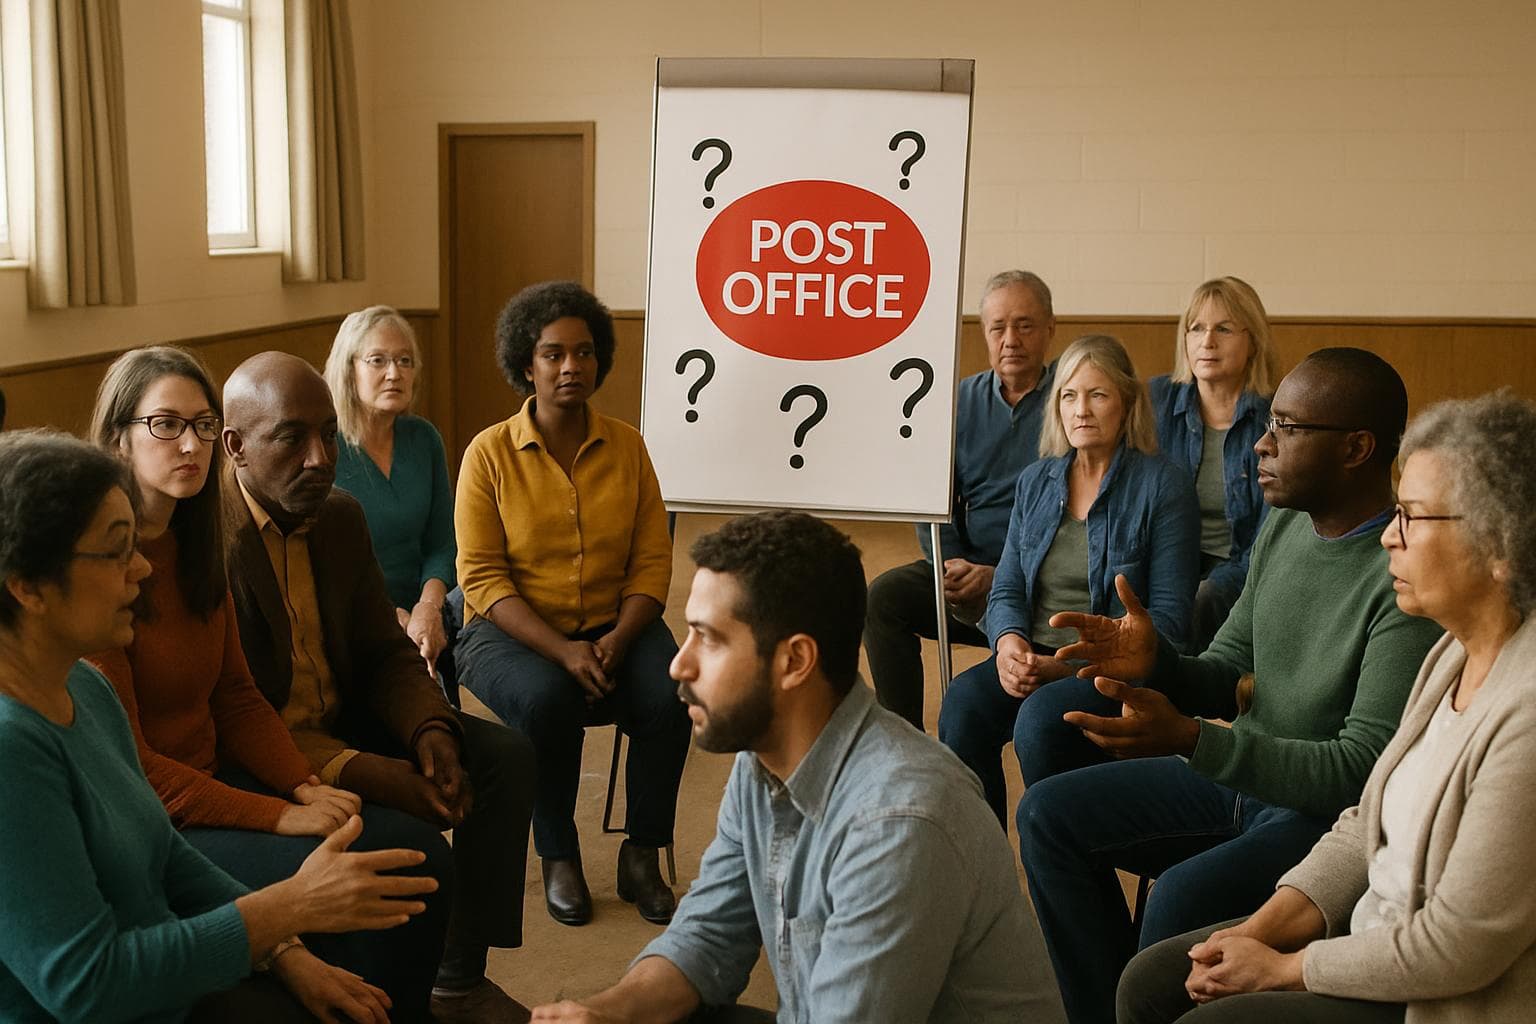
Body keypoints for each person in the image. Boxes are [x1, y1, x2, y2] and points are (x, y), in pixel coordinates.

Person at [1017, 348, 1446, 1024]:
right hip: (1243, 780)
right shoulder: (1284, 527)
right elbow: (1224, 673)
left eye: (1288, 429)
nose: (1262, 446)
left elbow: (1360, 773)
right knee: (1046, 817)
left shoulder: (1401, 578)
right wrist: (1156, 664)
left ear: (1357, 449)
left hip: (1320, 819)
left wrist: (1192, 740)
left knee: (1180, 899)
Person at [531, 511, 1067, 1024]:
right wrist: (607, 1012)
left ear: (794, 662)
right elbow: (708, 935)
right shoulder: (762, 756)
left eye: (710, 639)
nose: (679, 663)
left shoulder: (900, 823)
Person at [1118, 391, 1536, 1024]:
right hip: (1366, 934)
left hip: (1439, 998)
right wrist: (1259, 931)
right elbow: (1367, 817)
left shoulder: (1525, 715)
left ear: (1502, 548)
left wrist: (1288, 969)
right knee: (1152, 980)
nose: (1390, 538)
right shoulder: (1453, 651)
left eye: (1414, 518)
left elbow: (1458, 948)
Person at [0, 430, 438, 1023]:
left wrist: (286, 954)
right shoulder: (10, 749)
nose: (140, 569)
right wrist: (288, 907)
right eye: (115, 550)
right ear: (26, 586)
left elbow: (166, 855)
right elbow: (87, 985)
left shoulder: (87, 687)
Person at [84, 345, 453, 1021]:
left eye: (201, 425)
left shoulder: (200, 544)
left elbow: (238, 696)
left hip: (219, 780)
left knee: (407, 850)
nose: (190, 444)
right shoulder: (101, 572)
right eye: (166, 425)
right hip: (156, 819)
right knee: (383, 863)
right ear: (118, 437)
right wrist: (283, 812)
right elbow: (133, 769)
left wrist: (305, 784)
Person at [220, 351, 537, 1024]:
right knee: (409, 845)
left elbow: (385, 651)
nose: (319, 458)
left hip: (346, 716)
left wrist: (430, 730)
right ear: (236, 446)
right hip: (267, 761)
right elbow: (235, 716)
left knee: (500, 759)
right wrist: (371, 773)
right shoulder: (210, 542)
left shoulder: (338, 516)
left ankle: (458, 978)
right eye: (292, 437)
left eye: (329, 435)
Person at [455, 280, 690, 928]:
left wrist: (614, 641)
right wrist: (563, 651)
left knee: (671, 691)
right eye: (553, 354)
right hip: (507, 631)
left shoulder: (629, 448)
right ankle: (559, 854)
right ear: (525, 364)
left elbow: (651, 563)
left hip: (617, 623)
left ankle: (643, 853)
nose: (570, 367)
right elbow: (480, 576)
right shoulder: (488, 454)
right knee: (549, 700)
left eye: (583, 353)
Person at [937, 333, 1200, 824]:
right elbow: (1009, 585)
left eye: (1098, 394)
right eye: (1069, 395)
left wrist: (1065, 669)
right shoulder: (1036, 480)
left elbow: (1169, 621)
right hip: (1031, 654)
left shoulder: (1164, 484)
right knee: (963, 705)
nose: (1082, 409)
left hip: (1111, 668)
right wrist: (1009, 646)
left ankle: (1058, 848)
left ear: (1127, 402)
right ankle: (985, 859)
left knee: (1041, 723)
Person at [864, 269, 1058, 730]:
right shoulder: (955, 403)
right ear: (985, 333)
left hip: (1044, 579)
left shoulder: (1071, 403)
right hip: (967, 572)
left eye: (1025, 325)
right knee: (882, 598)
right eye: (998, 327)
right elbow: (933, 500)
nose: (1011, 339)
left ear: (1050, 329)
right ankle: (903, 741)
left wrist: (1002, 575)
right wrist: (950, 565)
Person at [324, 307, 459, 695]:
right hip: (354, 613)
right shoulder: (327, 447)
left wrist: (428, 608)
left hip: (427, 605)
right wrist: (393, 616)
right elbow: (330, 562)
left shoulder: (424, 438)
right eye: (378, 360)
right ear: (348, 368)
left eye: (405, 361)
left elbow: (441, 542)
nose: (394, 373)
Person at [1148, 277, 1277, 651]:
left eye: (1223, 328)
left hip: (1239, 568)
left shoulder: (1277, 415)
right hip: (1168, 562)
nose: (1207, 341)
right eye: (1196, 328)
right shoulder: (1156, 402)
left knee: (1207, 597)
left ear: (1253, 340)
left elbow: (1268, 540)